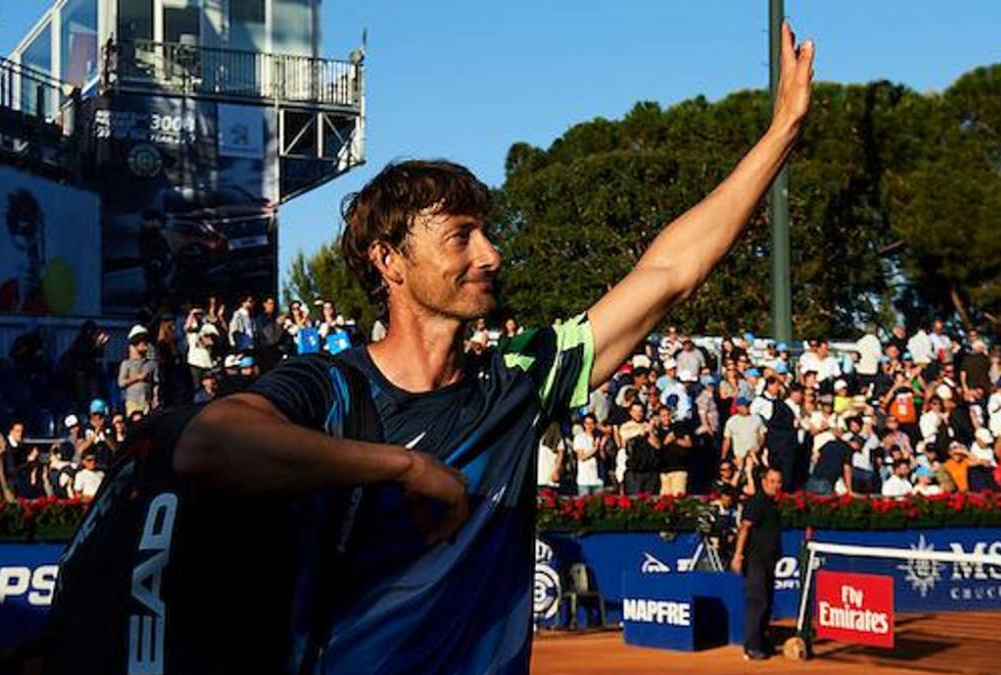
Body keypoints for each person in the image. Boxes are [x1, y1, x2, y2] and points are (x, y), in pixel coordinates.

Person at [130, 25, 815, 672]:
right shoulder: (330, 387)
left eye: (485, 232)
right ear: (389, 261)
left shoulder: (519, 378)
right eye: (461, 236)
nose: (491, 254)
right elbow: (207, 446)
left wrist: (781, 132)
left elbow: (668, 273)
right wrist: (402, 467)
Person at [732, 467, 783, 661]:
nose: (775, 485)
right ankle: (751, 647)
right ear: (764, 482)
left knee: (767, 602)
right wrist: (738, 555)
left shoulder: (773, 504)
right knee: (757, 602)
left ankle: (762, 641)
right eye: (772, 481)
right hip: (755, 560)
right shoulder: (755, 502)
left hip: (769, 560)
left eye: (778, 482)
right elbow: (744, 528)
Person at [119, 325, 157, 416]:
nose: (145, 345)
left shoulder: (151, 364)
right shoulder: (126, 363)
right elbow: (121, 383)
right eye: (142, 342)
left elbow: (155, 382)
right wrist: (137, 378)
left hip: (147, 401)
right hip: (132, 402)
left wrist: (155, 398)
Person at [722, 398, 765, 466]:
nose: (748, 407)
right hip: (739, 456)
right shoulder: (732, 421)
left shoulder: (757, 419)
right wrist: (723, 457)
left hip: (754, 455)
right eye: (746, 405)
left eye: (748, 405)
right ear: (739, 408)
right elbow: (727, 440)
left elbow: (762, 435)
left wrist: (759, 447)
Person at [573, 414, 605, 495]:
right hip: (584, 480)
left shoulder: (598, 437)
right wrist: (594, 449)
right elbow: (581, 457)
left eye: (591, 423)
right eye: (587, 423)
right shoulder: (579, 438)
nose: (589, 426)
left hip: (598, 480)